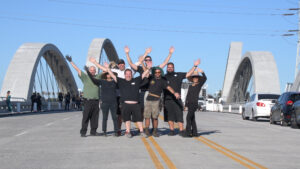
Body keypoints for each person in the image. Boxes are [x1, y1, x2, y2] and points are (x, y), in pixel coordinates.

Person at [106, 64, 150, 138]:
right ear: (124, 75)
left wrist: (148, 68)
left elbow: (144, 74)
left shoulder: (136, 80)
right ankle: (128, 132)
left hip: (136, 104)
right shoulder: (121, 81)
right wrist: (108, 68)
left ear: (132, 74)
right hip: (126, 104)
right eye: (127, 74)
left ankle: (142, 131)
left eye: (130, 74)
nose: (128, 75)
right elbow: (113, 75)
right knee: (127, 119)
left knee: (139, 119)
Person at [66, 55, 101, 137]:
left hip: (96, 101)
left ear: (95, 71)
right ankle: (83, 132)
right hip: (87, 101)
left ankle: (93, 131)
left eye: (94, 70)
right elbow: (77, 69)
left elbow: (105, 71)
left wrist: (95, 62)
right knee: (85, 117)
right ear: (89, 71)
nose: (92, 71)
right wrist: (71, 61)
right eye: (91, 70)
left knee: (95, 117)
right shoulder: (85, 77)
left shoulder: (98, 77)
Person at [163, 59, 201, 136]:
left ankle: (181, 130)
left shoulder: (178, 75)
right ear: (166, 68)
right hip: (167, 99)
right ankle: (171, 130)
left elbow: (188, 74)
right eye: (168, 67)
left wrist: (195, 66)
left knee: (179, 115)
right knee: (170, 116)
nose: (170, 68)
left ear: (173, 68)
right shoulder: (164, 77)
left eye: (171, 67)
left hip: (177, 99)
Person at [86, 60, 119, 137]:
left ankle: (116, 131)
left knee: (114, 117)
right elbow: (94, 80)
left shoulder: (115, 82)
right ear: (105, 75)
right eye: (107, 74)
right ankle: (104, 131)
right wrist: (88, 72)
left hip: (113, 102)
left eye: (109, 74)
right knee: (105, 118)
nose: (108, 75)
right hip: (105, 103)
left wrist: (108, 69)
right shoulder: (102, 81)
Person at [143, 67, 180, 137]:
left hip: (156, 100)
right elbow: (145, 72)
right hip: (148, 99)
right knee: (147, 116)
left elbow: (169, 87)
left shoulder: (163, 81)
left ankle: (155, 131)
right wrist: (143, 63)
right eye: (156, 72)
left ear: (160, 73)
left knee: (155, 117)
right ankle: (147, 130)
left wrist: (175, 93)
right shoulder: (150, 78)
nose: (157, 73)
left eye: (158, 72)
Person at [185, 66, 207, 137]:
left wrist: (202, 72)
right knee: (192, 119)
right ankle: (195, 133)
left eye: (197, 77)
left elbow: (205, 79)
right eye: (194, 77)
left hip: (194, 104)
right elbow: (187, 96)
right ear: (192, 79)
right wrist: (185, 105)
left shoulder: (199, 85)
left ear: (198, 79)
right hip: (189, 104)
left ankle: (188, 133)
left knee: (188, 118)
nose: (195, 79)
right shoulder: (190, 86)